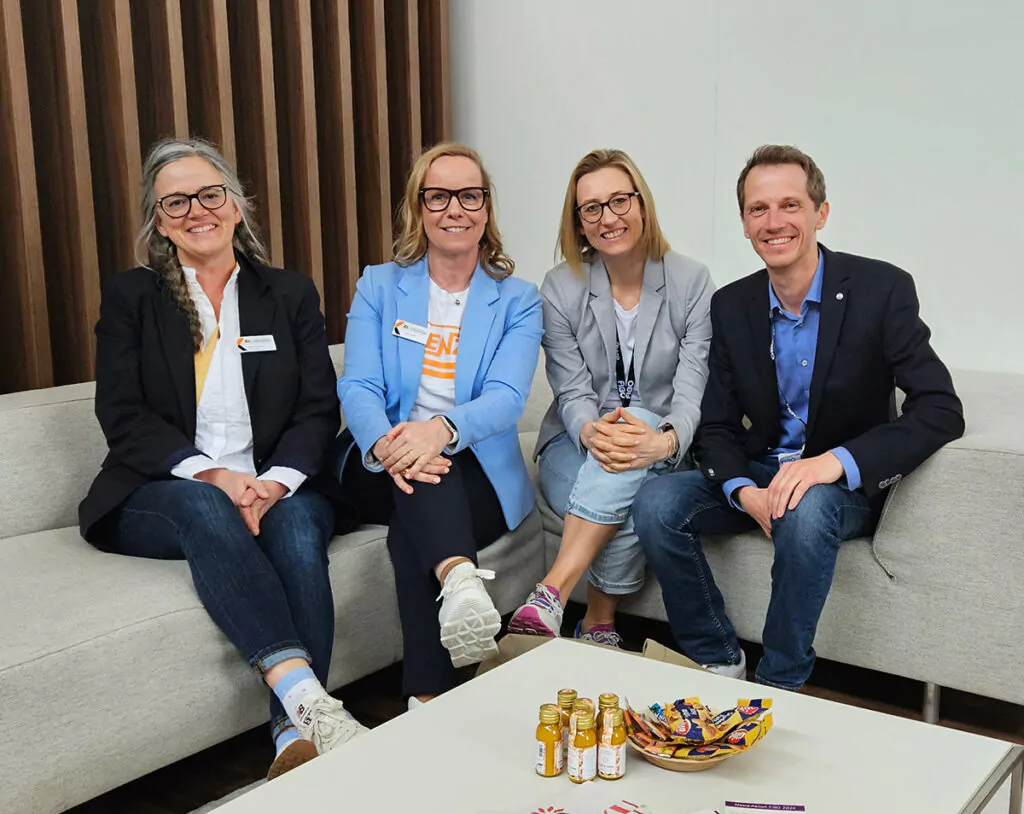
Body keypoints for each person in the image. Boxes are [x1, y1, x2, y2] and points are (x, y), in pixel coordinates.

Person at [79, 138, 365, 780]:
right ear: (157, 219)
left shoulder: (288, 294)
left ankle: (294, 738)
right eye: (174, 201)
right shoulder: (133, 297)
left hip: (280, 482)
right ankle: (304, 695)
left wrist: (274, 483)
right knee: (207, 504)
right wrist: (212, 473)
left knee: (295, 531)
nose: (195, 210)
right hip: (163, 489)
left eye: (210, 195)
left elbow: (318, 409)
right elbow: (122, 416)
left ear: (236, 207)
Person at [634, 145, 965, 689]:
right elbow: (716, 424)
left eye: (790, 204)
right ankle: (716, 656)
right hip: (764, 472)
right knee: (656, 501)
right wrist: (745, 491)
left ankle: (781, 683)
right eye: (758, 209)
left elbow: (941, 409)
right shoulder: (733, 305)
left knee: (807, 507)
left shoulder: (881, 290)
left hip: (841, 487)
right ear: (743, 223)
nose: (774, 222)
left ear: (821, 213)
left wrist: (834, 463)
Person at [336, 142, 542, 705]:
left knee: (417, 522)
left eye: (469, 195)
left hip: (471, 464)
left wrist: (440, 432)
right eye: (439, 196)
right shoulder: (380, 286)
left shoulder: (518, 301)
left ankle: (424, 699)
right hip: (380, 459)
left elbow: (505, 398)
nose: (455, 208)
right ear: (419, 208)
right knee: (428, 478)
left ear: (486, 207)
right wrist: (390, 441)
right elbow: (358, 385)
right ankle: (459, 578)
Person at [507, 149, 715, 646]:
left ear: (642, 205)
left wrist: (662, 442)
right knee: (633, 484)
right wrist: (591, 430)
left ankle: (551, 593)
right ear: (579, 224)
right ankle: (598, 623)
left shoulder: (692, 282)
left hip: (664, 449)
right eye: (592, 208)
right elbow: (572, 390)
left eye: (619, 201)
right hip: (574, 447)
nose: (608, 217)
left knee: (641, 436)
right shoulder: (559, 288)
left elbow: (691, 393)